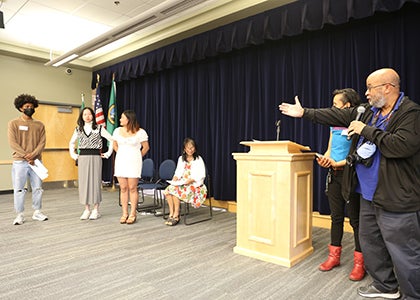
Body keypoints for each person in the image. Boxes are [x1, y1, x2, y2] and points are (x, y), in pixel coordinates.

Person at [279, 68, 420, 300]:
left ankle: (413, 295)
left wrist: (366, 131)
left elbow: (402, 146)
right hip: (367, 193)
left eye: (370, 88)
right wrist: (305, 112)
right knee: (371, 242)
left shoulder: (410, 112)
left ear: (388, 87)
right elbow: (336, 116)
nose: (366, 93)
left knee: (404, 250)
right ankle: (386, 286)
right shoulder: (368, 112)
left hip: (396, 196)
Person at [316, 88, 365, 281]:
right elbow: (330, 149)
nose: (332, 108)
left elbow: (360, 154)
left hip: (351, 175)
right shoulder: (332, 124)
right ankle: (333, 257)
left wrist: (340, 163)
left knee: (355, 221)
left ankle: (360, 263)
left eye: (336, 104)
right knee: (335, 217)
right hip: (334, 174)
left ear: (347, 106)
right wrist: (325, 160)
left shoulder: (359, 125)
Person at [8, 94, 48, 225]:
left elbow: (42, 143)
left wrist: (34, 156)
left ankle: (37, 212)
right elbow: (13, 143)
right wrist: (26, 156)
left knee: (37, 188)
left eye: (31, 106)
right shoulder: (13, 124)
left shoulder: (39, 125)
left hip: (36, 162)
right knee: (19, 188)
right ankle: (19, 215)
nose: (29, 108)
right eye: (26, 106)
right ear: (20, 108)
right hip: (20, 161)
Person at [69, 107, 113, 220]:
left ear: (93, 116)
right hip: (83, 157)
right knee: (84, 183)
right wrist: (74, 155)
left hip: (95, 157)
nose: (87, 116)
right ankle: (87, 209)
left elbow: (111, 139)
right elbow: (71, 143)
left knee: (95, 182)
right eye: (85, 114)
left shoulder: (99, 128)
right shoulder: (78, 129)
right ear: (82, 117)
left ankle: (96, 209)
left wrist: (108, 153)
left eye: (89, 114)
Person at [113, 110, 149, 225]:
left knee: (132, 188)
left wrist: (136, 157)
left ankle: (133, 213)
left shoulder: (140, 132)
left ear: (128, 119)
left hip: (134, 163)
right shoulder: (117, 131)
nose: (120, 120)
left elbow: (146, 147)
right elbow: (114, 145)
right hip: (121, 162)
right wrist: (122, 154)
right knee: (123, 188)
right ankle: (124, 213)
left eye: (122, 118)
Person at [163, 137, 207, 226]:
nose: (190, 150)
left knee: (175, 193)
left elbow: (202, 174)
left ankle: (176, 215)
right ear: (184, 149)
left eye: (192, 148)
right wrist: (175, 178)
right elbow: (178, 172)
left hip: (194, 185)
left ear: (195, 148)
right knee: (168, 191)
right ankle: (171, 213)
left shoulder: (198, 159)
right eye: (188, 148)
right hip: (182, 183)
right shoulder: (181, 159)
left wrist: (191, 180)